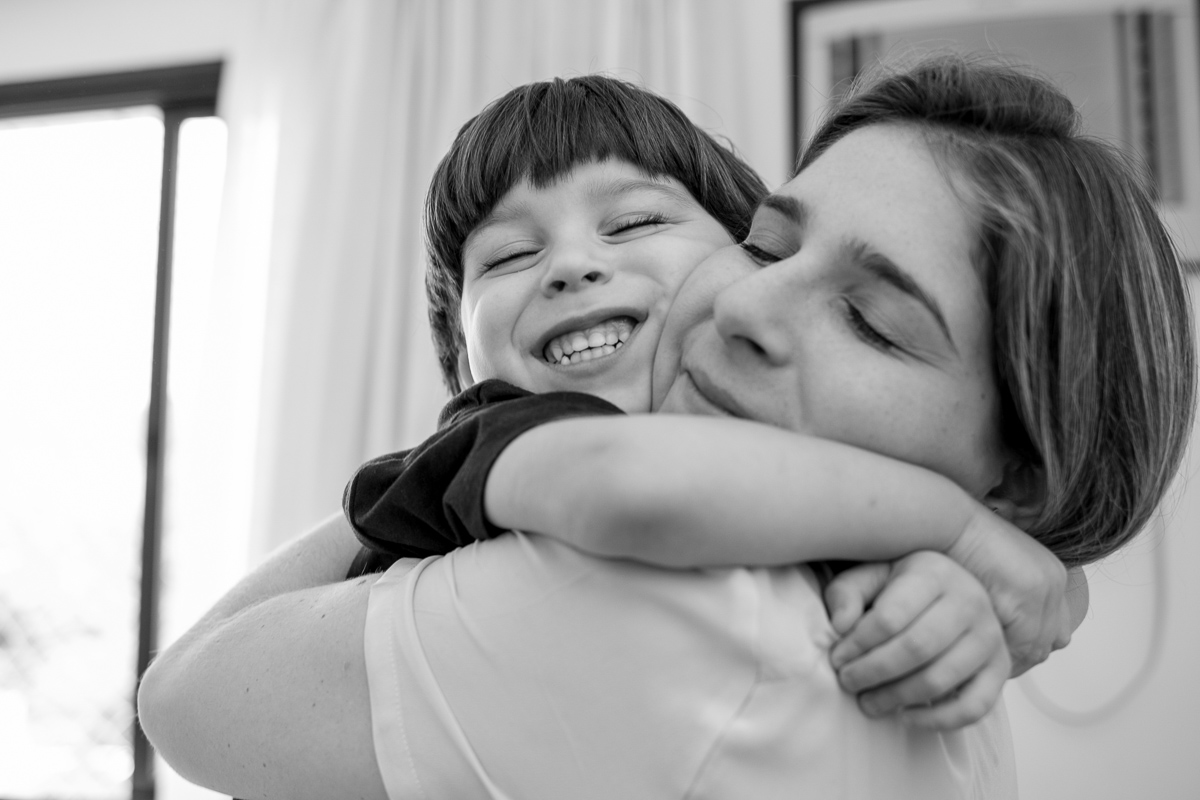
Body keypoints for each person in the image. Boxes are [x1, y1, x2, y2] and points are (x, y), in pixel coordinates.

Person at [135, 57, 1194, 799]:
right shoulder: (527, 453)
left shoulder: (701, 606)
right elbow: (184, 702)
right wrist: (975, 539)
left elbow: (188, 694)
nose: (744, 306)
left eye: (872, 321)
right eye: (772, 248)